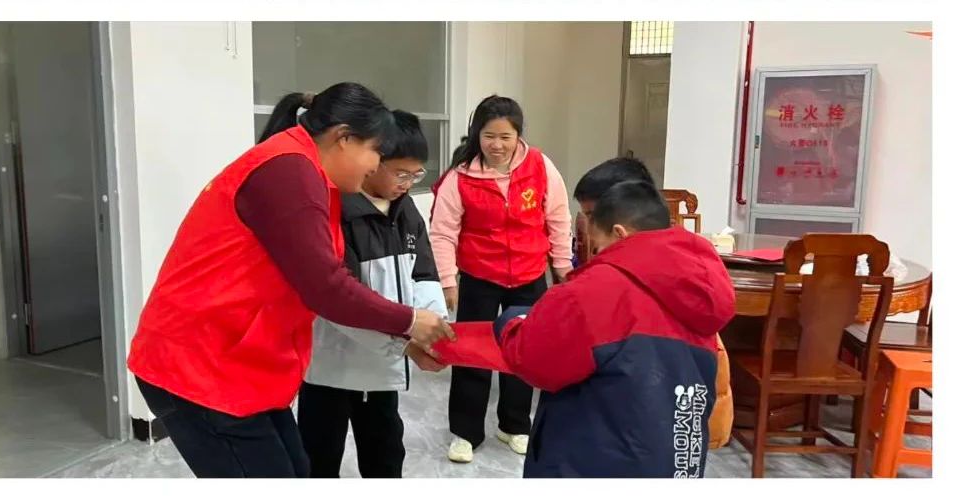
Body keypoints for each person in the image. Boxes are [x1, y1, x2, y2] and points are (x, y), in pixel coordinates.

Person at [127, 82, 455, 478]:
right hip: (199, 366)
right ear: (343, 138)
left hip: (244, 364)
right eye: (374, 150)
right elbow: (327, 287)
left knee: (300, 470)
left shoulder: (310, 175)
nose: (375, 164)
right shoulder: (289, 171)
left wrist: (407, 334)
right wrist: (409, 322)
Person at [492, 174, 736, 478]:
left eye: (598, 247)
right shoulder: (699, 284)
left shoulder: (596, 290)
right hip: (676, 459)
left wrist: (511, 321)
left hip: (598, 461)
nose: (594, 256)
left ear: (620, 234)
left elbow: (534, 359)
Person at [297, 110, 448, 478]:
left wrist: (434, 328)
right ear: (373, 161)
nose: (408, 184)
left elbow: (423, 272)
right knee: (319, 459)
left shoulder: (405, 209)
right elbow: (341, 301)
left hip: (382, 368)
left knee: (385, 455)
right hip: (331, 366)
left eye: (416, 175)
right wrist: (407, 341)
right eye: (401, 173)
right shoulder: (337, 210)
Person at [429, 95, 573, 463]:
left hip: (529, 274)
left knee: (523, 351)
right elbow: (442, 232)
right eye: (489, 136)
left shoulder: (540, 166)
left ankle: (514, 424)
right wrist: (448, 281)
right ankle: (465, 432)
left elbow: (558, 219)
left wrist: (562, 266)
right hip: (479, 275)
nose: (497, 145)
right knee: (471, 350)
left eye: (505, 136)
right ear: (477, 134)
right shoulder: (460, 177)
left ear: (518, 135)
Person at [564, 157, 734, 449]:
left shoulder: (621, 281)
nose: (588, 228)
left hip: (624, 428)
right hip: (678, 428)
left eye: (593, 216)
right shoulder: (691, 257)